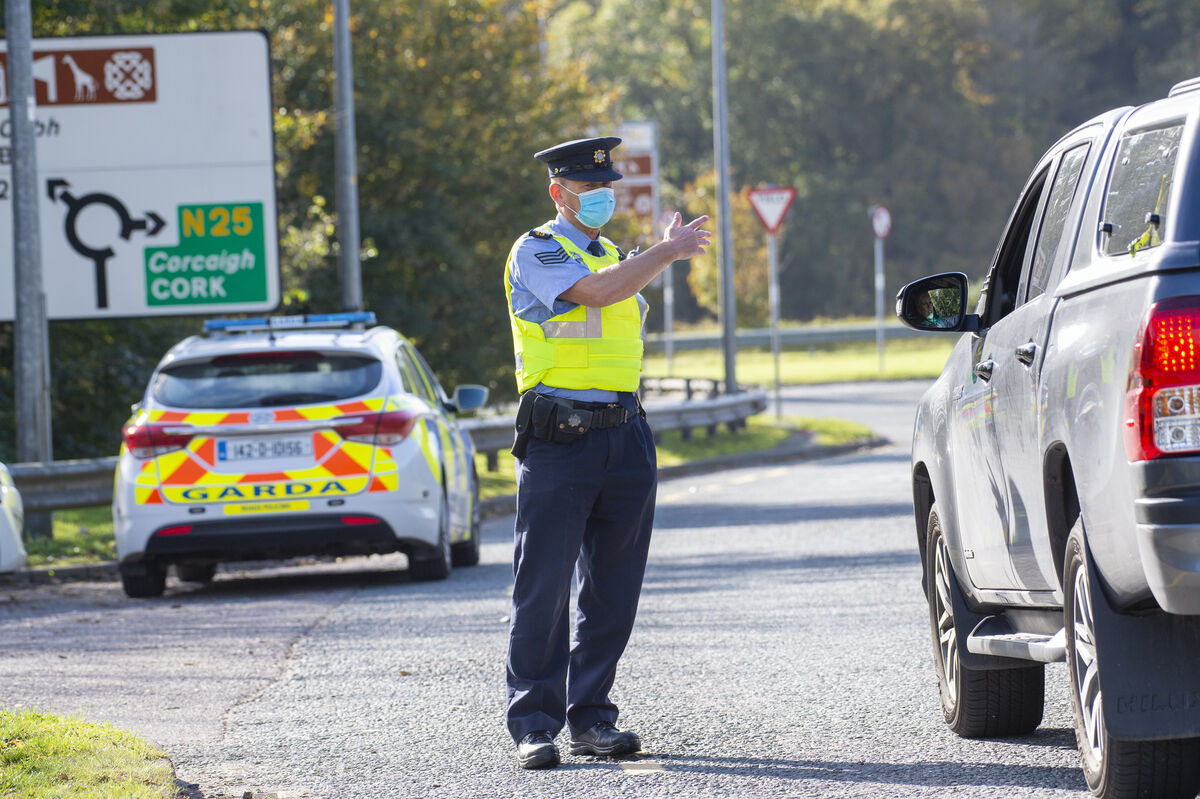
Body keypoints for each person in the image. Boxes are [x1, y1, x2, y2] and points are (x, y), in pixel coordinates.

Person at [503, 136, 711, 770]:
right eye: (586, 190)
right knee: (543, 588)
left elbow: (616, 292)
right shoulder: (537, 250)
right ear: (557, 192)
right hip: (559, 440)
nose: (598, 198)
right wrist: (668, 251)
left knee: (613, 593)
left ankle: (592, 717)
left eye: (605, 190)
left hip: (624, 436)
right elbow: (593, 295)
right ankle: (534, 725)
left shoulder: (617, 255)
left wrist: (653, 257)